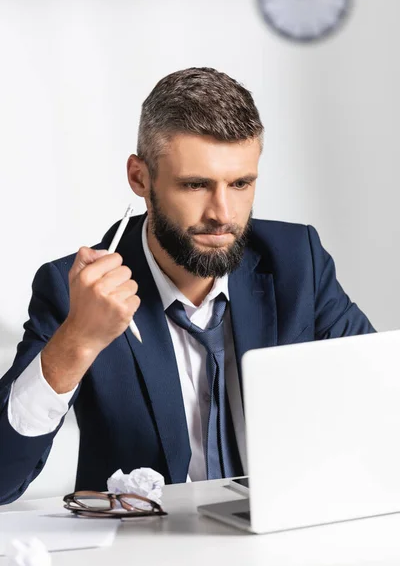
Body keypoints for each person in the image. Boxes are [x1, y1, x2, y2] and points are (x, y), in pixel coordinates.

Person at [0, 67, 374, 505]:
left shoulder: (297, 261)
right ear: (140, 178)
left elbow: (379, 393)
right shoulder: (77, 290)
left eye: (240, 184)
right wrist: (77, 341)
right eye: (196, 185)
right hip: (147, 554)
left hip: (282, 536)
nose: (222, 213)